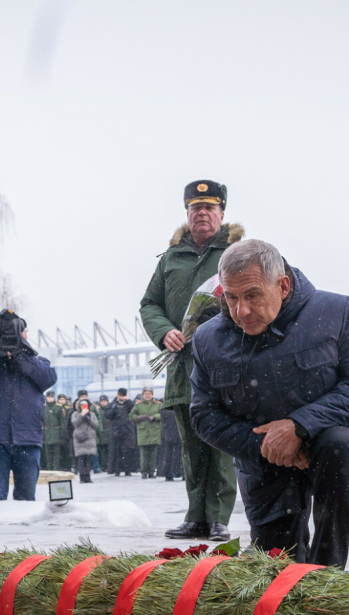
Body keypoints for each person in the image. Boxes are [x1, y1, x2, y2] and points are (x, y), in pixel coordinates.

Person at [191, 239, 349, 565]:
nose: (241, 311)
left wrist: (299, 427)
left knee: (338, 445)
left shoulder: (334, 312)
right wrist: (269, 445)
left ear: (283, 285)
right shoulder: (210, 339)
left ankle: (327, 582)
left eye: (252, 295)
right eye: (231, 297)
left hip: (333, 442)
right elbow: (204, 415)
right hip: (262, 458)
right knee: (276, 566)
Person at [140, 179, 241, 541]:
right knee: (192, 446)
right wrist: (164, 331)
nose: (202, 213)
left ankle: (219, 517)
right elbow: (149, 304)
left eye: (210, 208)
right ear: (187, 214)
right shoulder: (170, 259)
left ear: (222, 214)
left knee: (221, 445)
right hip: (183, 368)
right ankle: (195, 516)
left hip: (224, 366)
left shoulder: (237, 255)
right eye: (196, 208)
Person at [0, 310, 58, 501]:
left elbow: (48, 378)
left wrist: (19, 353)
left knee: (26, 498)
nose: (17, 336)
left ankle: (24, 532)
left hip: (27, 439)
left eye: (21, 331)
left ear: (26, 335)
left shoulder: (37, 360)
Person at [131, 387, 162, 478]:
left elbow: (163, 414)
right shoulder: (138, 405)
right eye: (146, 394)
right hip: (143, 432)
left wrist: (155, 417)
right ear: (143, 395)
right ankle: (144, 472)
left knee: (153, 454)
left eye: (149, 394)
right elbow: (131, 416)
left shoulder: (158, 405)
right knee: (144, 454)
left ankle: (152, 472)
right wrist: (138, 418)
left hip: (154, 432)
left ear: (152, 395)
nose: (147, 396)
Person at [105, 388, 137, 476]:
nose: (121, 397)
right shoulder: (113, 404)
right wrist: (113, 409)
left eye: (122, 396)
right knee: (116, 452)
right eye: (120, 395)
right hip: (116, 432)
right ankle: (116, 470)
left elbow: (135, 410)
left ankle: (128, 470)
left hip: (127, 431)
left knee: (127, 452)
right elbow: (107, 415)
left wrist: (129, 401)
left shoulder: (128, 403)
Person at [70, 398, 99, 483]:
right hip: (81, 439)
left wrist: (89, 418)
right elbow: (75, 423)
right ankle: (82, 477)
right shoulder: (75, 414)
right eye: (81, 405)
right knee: (82, 459)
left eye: (85, 405)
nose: (83, 406)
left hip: (90, 439)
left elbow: (96, 425)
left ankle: (88, 476)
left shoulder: (92, 414)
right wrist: (81, 415)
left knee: (88, 459)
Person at [159, 395, 183, 482]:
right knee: (176, 454)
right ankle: (176, 473)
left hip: (171, 432)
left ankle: (170, 473)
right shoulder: (166, 407)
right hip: (173, 431)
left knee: (171, 454)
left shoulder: (165, 407)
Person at [43, 392, 66, 472]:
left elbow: (62, 421)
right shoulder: (43, 407)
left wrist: (62, 431)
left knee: (56, 453)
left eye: (52, 397)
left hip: (56, 431)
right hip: (46, 432)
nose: (50, 398)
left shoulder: (58, 407)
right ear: (46, 398)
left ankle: (55, 468)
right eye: (48, 397)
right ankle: (49, 469)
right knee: (48, 453)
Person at [95, 395, 111, 472]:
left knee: (109, 450)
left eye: (105, 401)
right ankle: (103, 466)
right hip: (102, 432)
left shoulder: (110, 409)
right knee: (102, 451)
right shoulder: (98, 410)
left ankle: (109, 465)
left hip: (109, 431)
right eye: (102, 401)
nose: (103, 403)